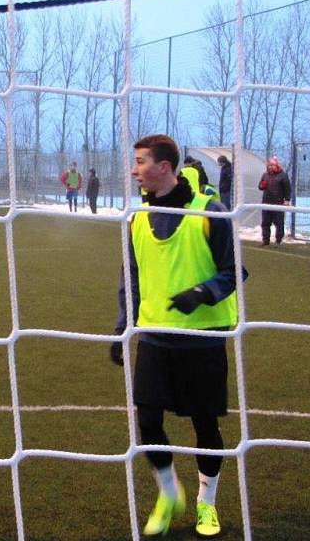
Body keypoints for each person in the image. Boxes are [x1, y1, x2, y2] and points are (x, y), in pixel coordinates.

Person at [110, 134, 247, 538]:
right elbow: (130, 279)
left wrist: (202, 293)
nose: (134, 170)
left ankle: (207, 503)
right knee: (148, 421)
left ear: (164, 167)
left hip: (202, 340)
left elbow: (235, 269)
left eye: (140, 162)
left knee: (205, 427)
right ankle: (169, 493)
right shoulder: (136, 219)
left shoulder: (211, 212)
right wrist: (123, 326)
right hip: (154, 338)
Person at [258, 156, 291, 246]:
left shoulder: (283, 175)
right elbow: (260, 187)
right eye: (269, 165)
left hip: (278, 203)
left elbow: (287, 188)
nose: (270, 167)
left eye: (272, 165)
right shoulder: (265, 175)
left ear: (277, 165)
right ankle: (265, 240)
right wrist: (262, 185)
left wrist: (287, 200)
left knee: (279, 223)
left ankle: (278, 240)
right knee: (265, 222)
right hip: (266, 202)